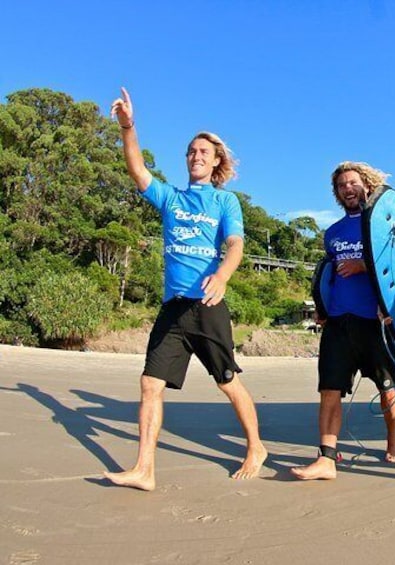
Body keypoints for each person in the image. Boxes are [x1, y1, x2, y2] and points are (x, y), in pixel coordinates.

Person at [104, 88, 267, 491]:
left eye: (203, 152)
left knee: (227, 382)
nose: (195, 156)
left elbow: (235, 245)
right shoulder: (170, 198)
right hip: (172, 308)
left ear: (216, 163)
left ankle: (257, 447)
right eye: (191, 151)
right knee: (149, 384)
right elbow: (138, 170)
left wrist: (224, 275)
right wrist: (128, 126)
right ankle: (144, 469)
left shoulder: (225, 202)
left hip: (207, 305)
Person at [291, 162, 395, 481]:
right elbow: (327, 273)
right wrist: (322, 307)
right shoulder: (334, 233)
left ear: (366, 184)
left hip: (374, 320)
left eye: (352, 183)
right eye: (341, 186)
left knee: (387, 388)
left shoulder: (381, 226)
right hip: (338, 321)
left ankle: (392, 438)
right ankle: (326, 457)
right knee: (329, 389)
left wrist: (363, 266)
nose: (348, 189)